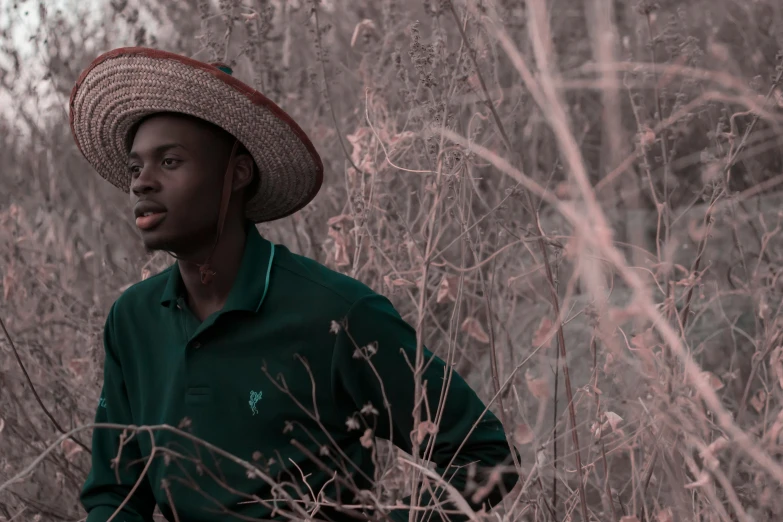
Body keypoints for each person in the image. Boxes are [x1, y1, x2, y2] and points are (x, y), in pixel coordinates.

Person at [69, 47, 519, 522]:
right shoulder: (133, 320)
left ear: (237, 174)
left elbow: (487, 457)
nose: (141, 183)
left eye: (171, 162)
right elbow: (116, 491)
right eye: (136, 167)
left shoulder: (336, 314)